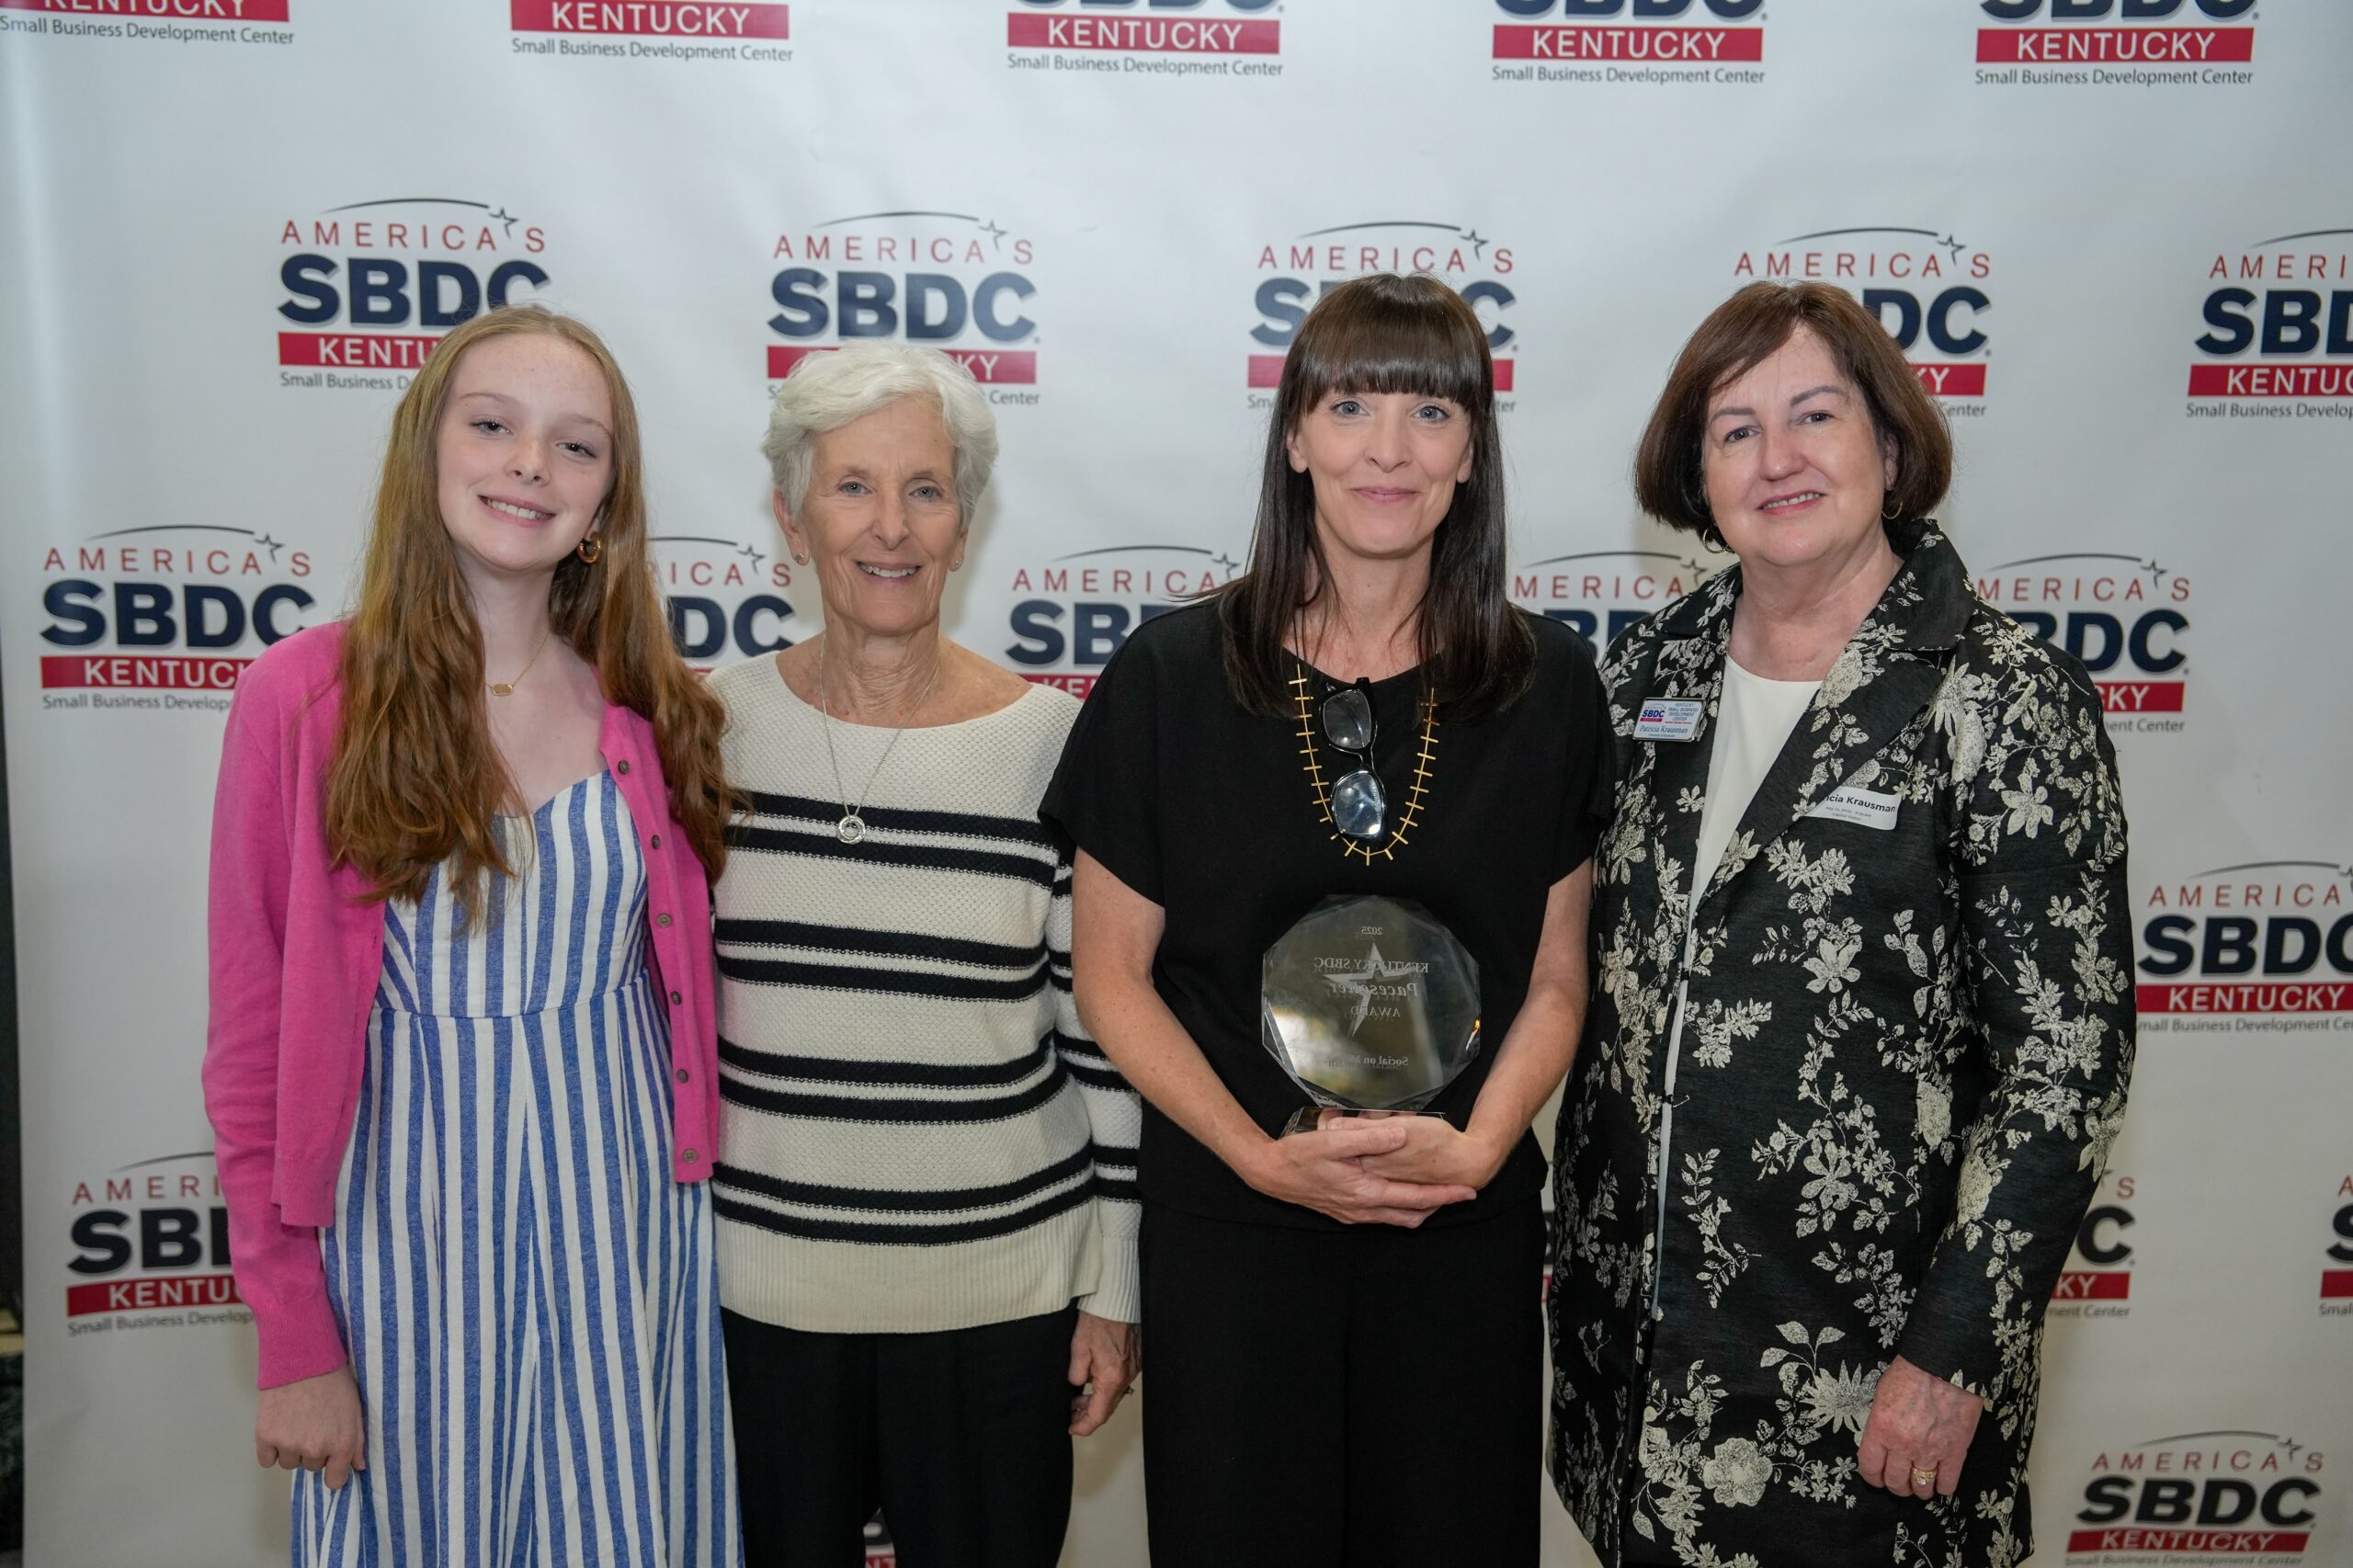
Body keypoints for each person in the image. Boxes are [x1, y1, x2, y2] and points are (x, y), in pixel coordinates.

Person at [1547, 281, 2135, 1568]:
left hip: (1868, 1376)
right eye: (1736, 430)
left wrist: (1956, 1349)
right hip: (1636, 1365)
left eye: (1815, 415)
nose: (1779, 458)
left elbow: (2066, 1064)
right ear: (1696, 477)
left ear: (1889, 441)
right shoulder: (1643, 674)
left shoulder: (2001, 696)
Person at [1046, 273, 1612, 1567]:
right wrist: (1257, 1156)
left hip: (1458, 1227)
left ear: (1472, 452)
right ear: (1294, 434)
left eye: (1430, 412)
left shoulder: (1549, 685)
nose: (1388, 448)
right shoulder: (1168, 679)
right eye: (1351, 405)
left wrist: (1477, 1150)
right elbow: (1113, 977)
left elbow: (1557, 978)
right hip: (1235, 1227)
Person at [203, 305, 742, 1567]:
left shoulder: (653, 707)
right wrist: (294, 1337)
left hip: (629, 1241)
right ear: (426, 448)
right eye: (493, 425)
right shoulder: (302, 697)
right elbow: (252, 1042)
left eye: (576, 446)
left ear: (606, 501)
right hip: (401, 1242)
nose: (529, 466)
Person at [711, 342, 1142, 1568]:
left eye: (926, 490)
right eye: (851, 486)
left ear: (964, 526)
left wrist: (1116, 1286)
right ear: (792, 517)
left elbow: (1104, 1041)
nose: (889, 527)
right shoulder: (707, 730)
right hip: (765, 1305)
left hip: (999, 1307)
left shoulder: (1056, 747)